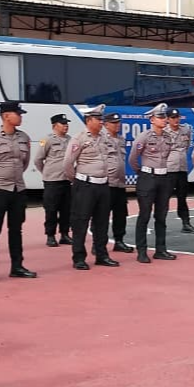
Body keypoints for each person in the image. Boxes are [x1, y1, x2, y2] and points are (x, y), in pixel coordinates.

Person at [0, 100, 36, 283]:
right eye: (17, 114)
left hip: (18, 189)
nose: (20, 117)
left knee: (16, 229)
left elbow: (24, 163)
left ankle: (17, 266)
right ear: (6, 116)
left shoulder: (24, 137)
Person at [66, 104, 116, 270]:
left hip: (103, 185)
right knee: (81, 222)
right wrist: (78, 180)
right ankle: (79, 257)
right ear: (88, 120)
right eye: (98, 119)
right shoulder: (79, 138)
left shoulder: (105, 137)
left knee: (102, 222)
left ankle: (101, 255)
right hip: (85, 185)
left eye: (102, 119)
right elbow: (68, 164)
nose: (101, 122)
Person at [128, 103, 177, 264]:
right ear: (152, 119)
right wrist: (143, 173)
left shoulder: (168, 137)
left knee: (161, 216)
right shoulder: (144, 137)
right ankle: (142, 251)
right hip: (148, 177)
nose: (164, 120)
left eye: (165, 117)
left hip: (164, 178)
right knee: (144, 215)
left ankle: (160, 250)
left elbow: (166, 156)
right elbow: (133, 159)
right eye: (160, 117)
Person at [35, 113, 72, 248]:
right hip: (52, 181)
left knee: (66, 209)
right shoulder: (47, 140)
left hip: (66, 180)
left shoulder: (70, 140)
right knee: (51, 209)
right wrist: (46, 172)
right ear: (55, 126)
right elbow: (38, 160)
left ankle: (64, 234)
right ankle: (50, 235)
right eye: (63, 124)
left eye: (67, 124)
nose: (66, 126)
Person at [104, 112, 134, 253]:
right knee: (102, 215)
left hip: (120, 183)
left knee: (121, 214)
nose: (118, 125)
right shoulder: (102, 139)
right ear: (106, 124)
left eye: (118, 122)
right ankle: (99, 244)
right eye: (114, 123)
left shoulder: (121, 139)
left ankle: (119, 241)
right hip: (106, 183)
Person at [166, 109, 194, 233]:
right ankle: (160, 223)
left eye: (177, 117)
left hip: (182, 169)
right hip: (168, 170)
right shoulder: (164, 132)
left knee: (182, 197)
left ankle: (186, 223)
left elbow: (187, 146)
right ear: (168, 119)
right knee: (164, 198)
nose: (176, 120)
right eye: (173, 118)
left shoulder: (185, 130)